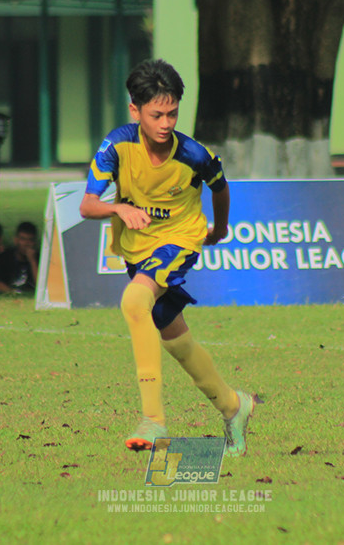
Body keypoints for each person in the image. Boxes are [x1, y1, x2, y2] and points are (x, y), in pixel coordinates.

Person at [78, 58, 254, 456]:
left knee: (135, 301)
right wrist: (119, 209)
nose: (166, 123)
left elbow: (220, 188)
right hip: (137, 247)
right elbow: (88, 206)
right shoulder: (117, 145)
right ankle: (234, 406)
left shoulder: (194, 154)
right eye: (157, 114)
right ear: (135, 110)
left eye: (172, 113)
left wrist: (220, 229)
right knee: (175, 338)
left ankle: (153, 421)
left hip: (180, 239)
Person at [7, 221, 40, 294]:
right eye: (23, 239)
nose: (26, 244)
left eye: (30, 240)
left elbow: (40, 286)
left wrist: (32, 261)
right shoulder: (7, 257)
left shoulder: (39, 259)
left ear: (34, 242)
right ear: (16, 240)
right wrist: (13, 292)